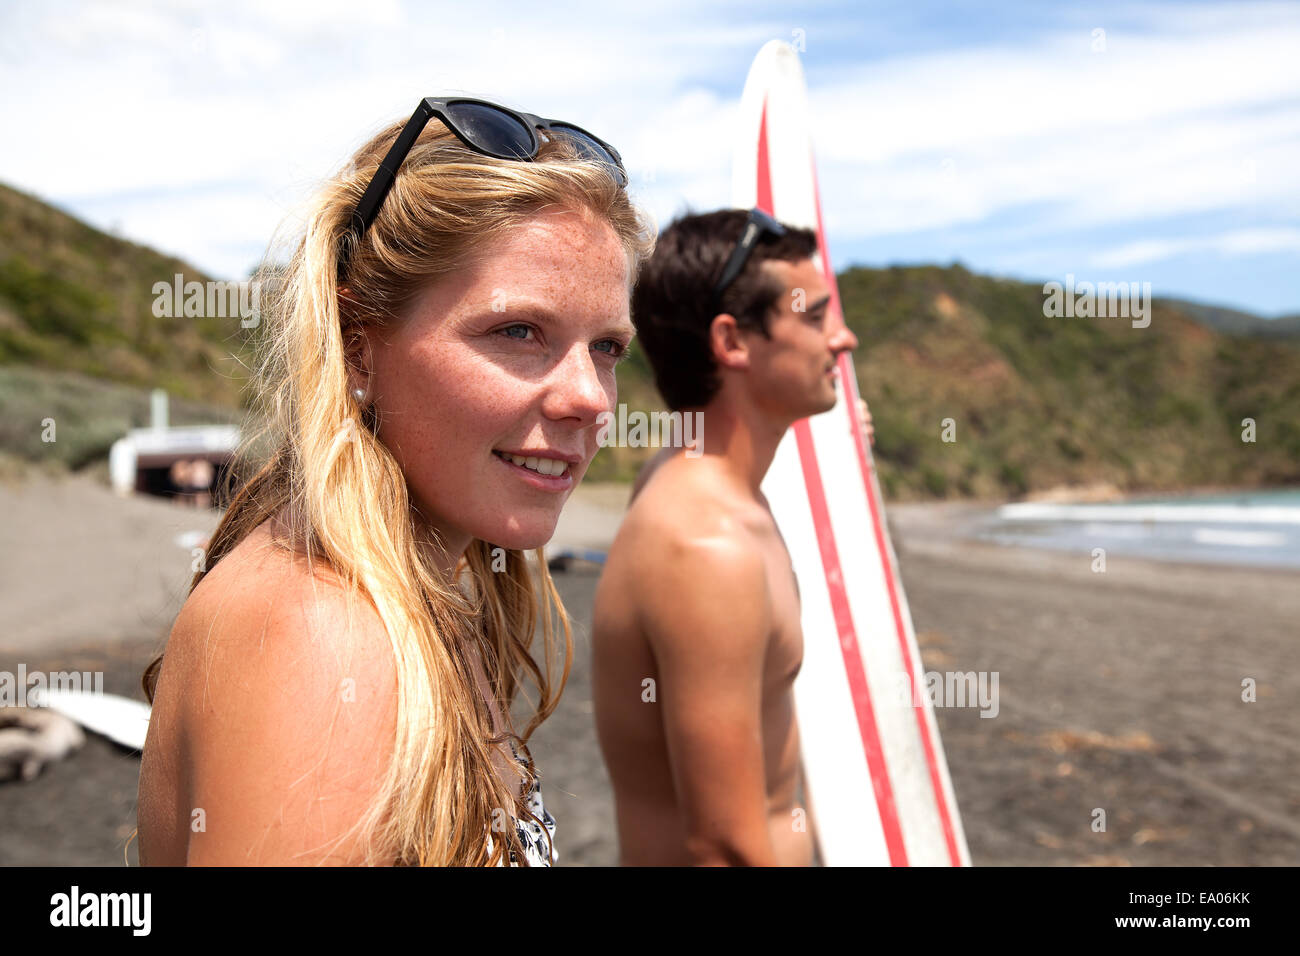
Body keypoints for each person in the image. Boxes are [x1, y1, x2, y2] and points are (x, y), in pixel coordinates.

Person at [136, 96, 653, 866]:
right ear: (357, 352)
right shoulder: (327, 640)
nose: (590, 397)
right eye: (518, 331)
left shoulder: (415, 599)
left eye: (607, 346)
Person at [591, 208, 863, 866]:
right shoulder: (707, 550)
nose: (844, 337)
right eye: (816, 315)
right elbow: (724, 849)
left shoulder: (688, 482)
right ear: (733, 342)